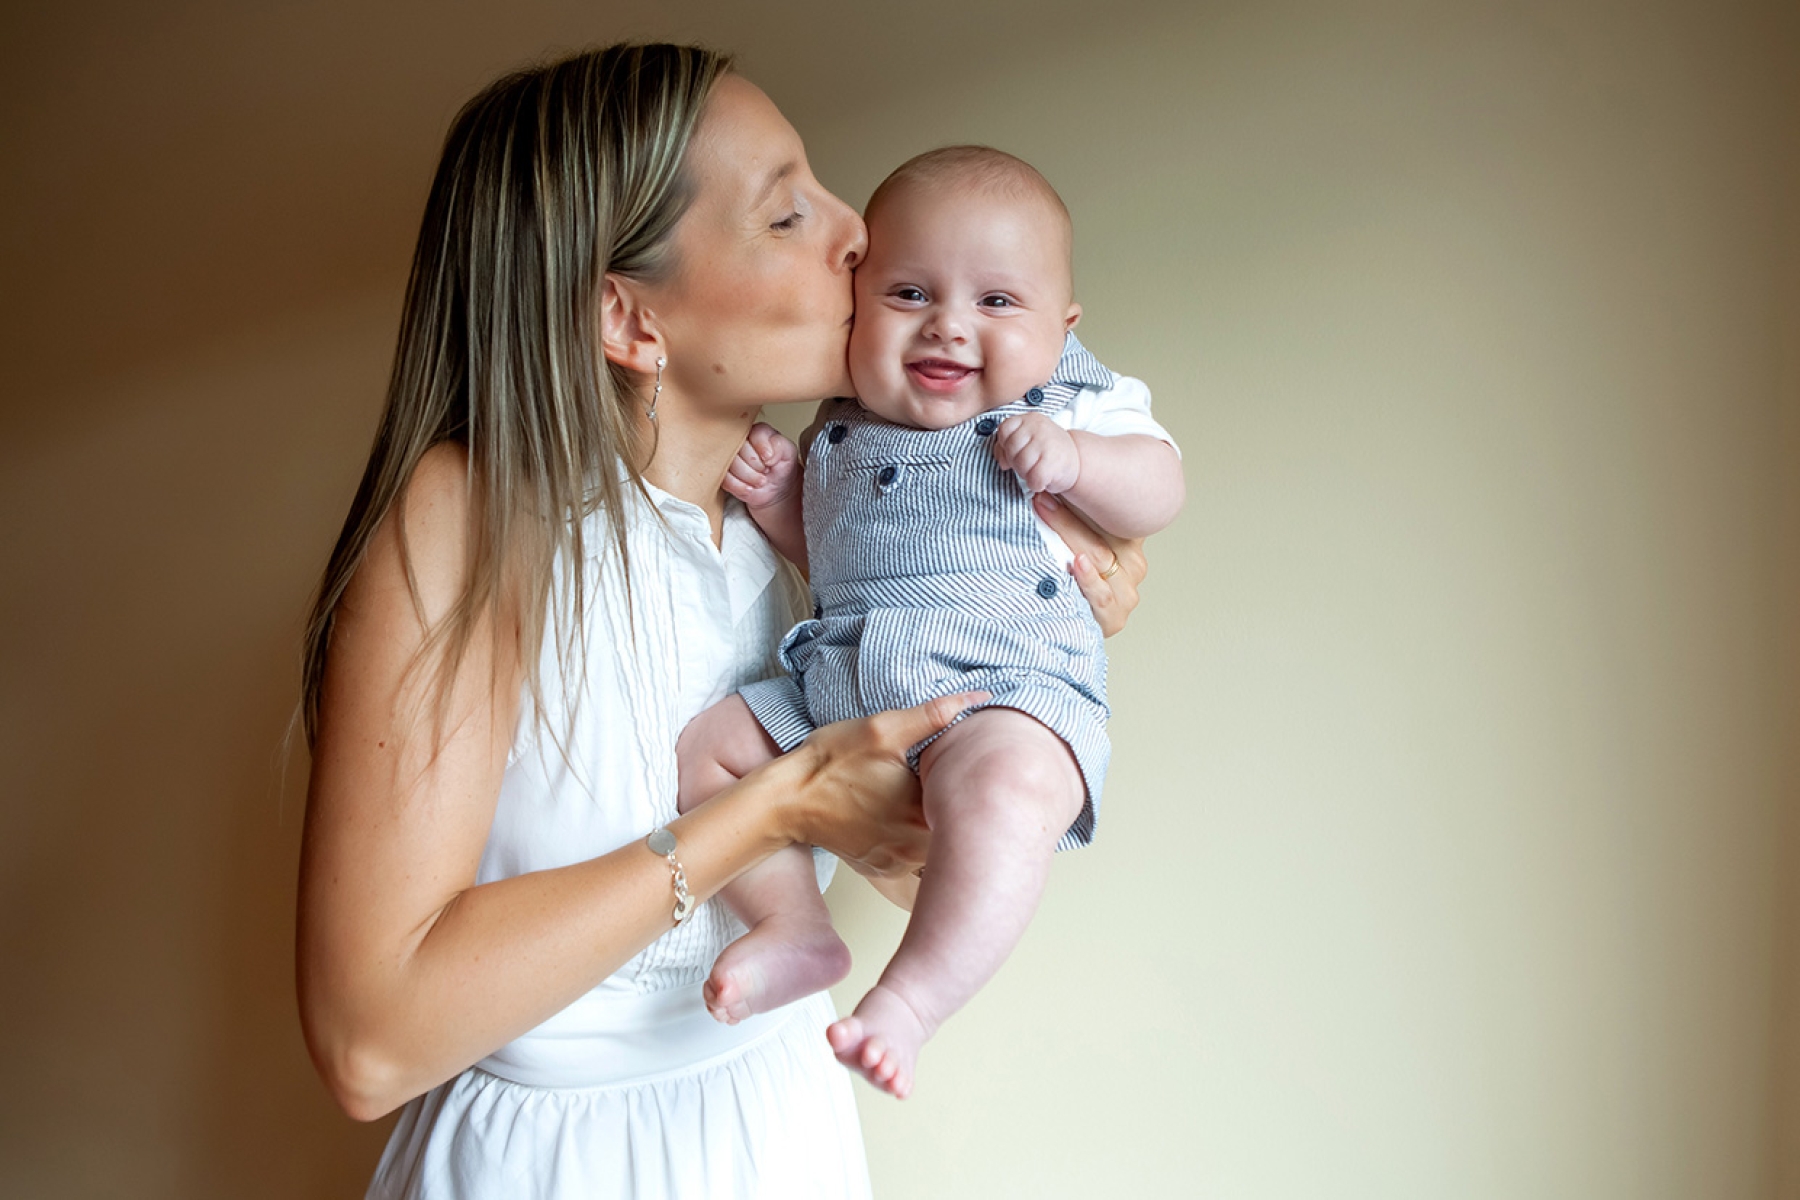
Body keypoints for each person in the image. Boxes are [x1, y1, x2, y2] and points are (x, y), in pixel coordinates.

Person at [294, 45, 1148, 1199]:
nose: (857, 234)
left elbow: (909, 869)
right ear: (629, 319)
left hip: (776, 1123)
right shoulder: (472, 519)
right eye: (789, 213)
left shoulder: (814, 519)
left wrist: (1034, 634)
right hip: (559, 1163)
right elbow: (369, 1044)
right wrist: (772, 806)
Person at [674, 146, 1184, 1101]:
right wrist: (789, 501)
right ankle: (791, 926)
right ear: (858, 308)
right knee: (712, 745)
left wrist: (1076, 458)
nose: (949, 326)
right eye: (910, 293)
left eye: (997, 302)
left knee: (1006, 794)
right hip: (840, 687)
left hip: (1002, 695)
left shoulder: (1071, 400)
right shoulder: (843, 416)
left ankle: (910, 1002)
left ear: (1062, 328)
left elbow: (1161, 486)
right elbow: (834, 556)